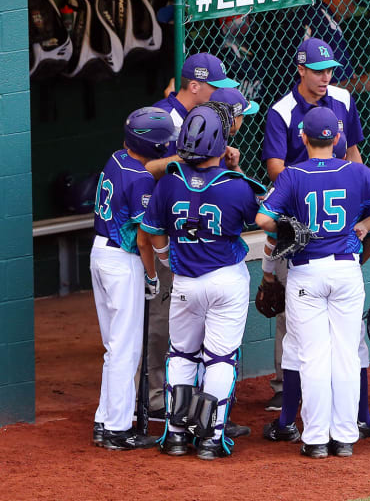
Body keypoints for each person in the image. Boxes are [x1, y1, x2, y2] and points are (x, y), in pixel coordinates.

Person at [257, 107, 370, 458]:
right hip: (346, 270)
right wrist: (368, 225)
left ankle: (315, 439)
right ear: (338, 138)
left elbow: (262, 218)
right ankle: (344, 437)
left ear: (303, 138)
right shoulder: (356, 171)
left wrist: (285, 228)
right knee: (345, 355)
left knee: (312, 357)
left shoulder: (292, 174)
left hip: (307, 271)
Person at [262, 37, 370, 442]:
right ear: (300, 70)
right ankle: (294, 417)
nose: (325, 78)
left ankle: (341, 421)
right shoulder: (281, 111)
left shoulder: (343, 99)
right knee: (302, 335)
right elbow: (276, 166)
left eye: (330, 69)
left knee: (324, 343)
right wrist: (320, 181)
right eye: (318, 70)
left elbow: (353, 153)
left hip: (326, 238)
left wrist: (356, 203)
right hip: (298, 232)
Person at [141, 104, 265, 460]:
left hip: (185, 281)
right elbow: (262, 216)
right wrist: (235, 166)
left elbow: (151, 233)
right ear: (220, 142)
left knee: (181, 355)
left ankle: (176, 436)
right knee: (220, 360)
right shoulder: (236, 186)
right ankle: (210, 439)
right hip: (226, 280)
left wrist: (167, 260)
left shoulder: (169, 182)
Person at [143, 52, 240, 422]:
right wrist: (187, 159)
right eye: (214, 88)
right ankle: (157, 398)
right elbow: (139, 167)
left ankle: (198, 407)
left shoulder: (202, 119)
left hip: (193, 233)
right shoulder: (164, 117)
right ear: (195, 85)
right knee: (163, 319)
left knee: (191, 329)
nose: (219, 95)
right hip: (164, 233)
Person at [90, 107, 174, 451]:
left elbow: (146, 166)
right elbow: (143, 238)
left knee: (115, 347)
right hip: (123, 263)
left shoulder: (116, 158)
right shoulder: (140, 180)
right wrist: (153, 275)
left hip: (99, 254)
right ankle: (117, 429)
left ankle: (104, 418)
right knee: (125, 348)